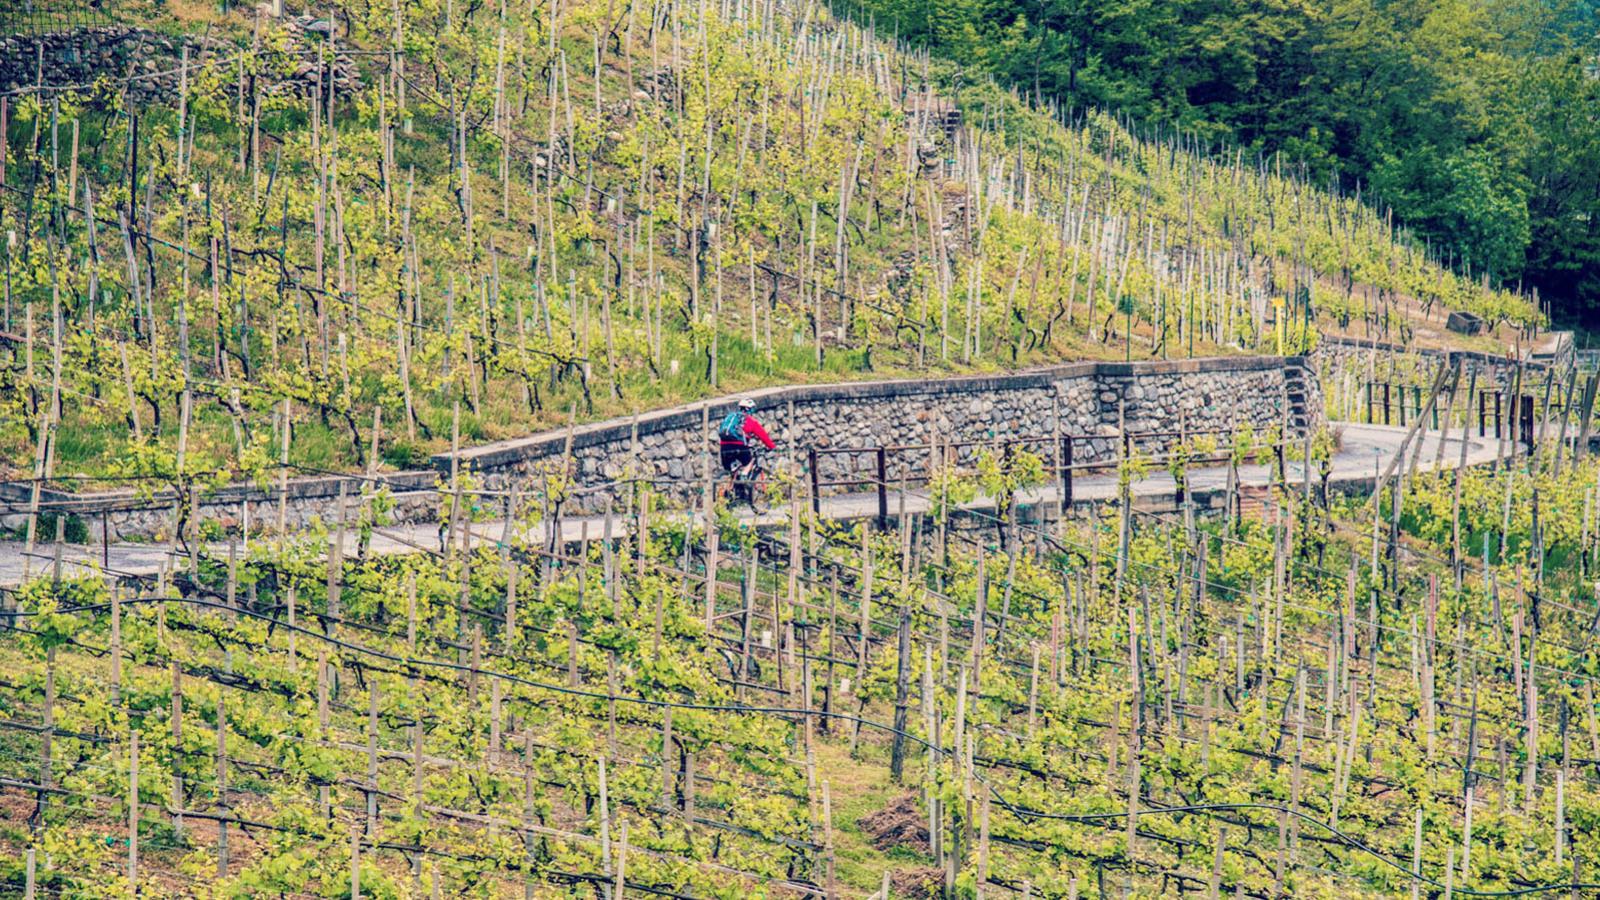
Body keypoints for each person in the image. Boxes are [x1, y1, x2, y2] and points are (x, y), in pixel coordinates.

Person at [718, 398, 776, 499]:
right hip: (739, 446)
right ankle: (744, 474)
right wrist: (771, 446)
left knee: (733, 469)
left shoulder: (730, 417)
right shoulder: (751, 421)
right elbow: (763, 435)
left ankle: (730, 492)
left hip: (724, 446)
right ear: (750, 409)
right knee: (750, 460)